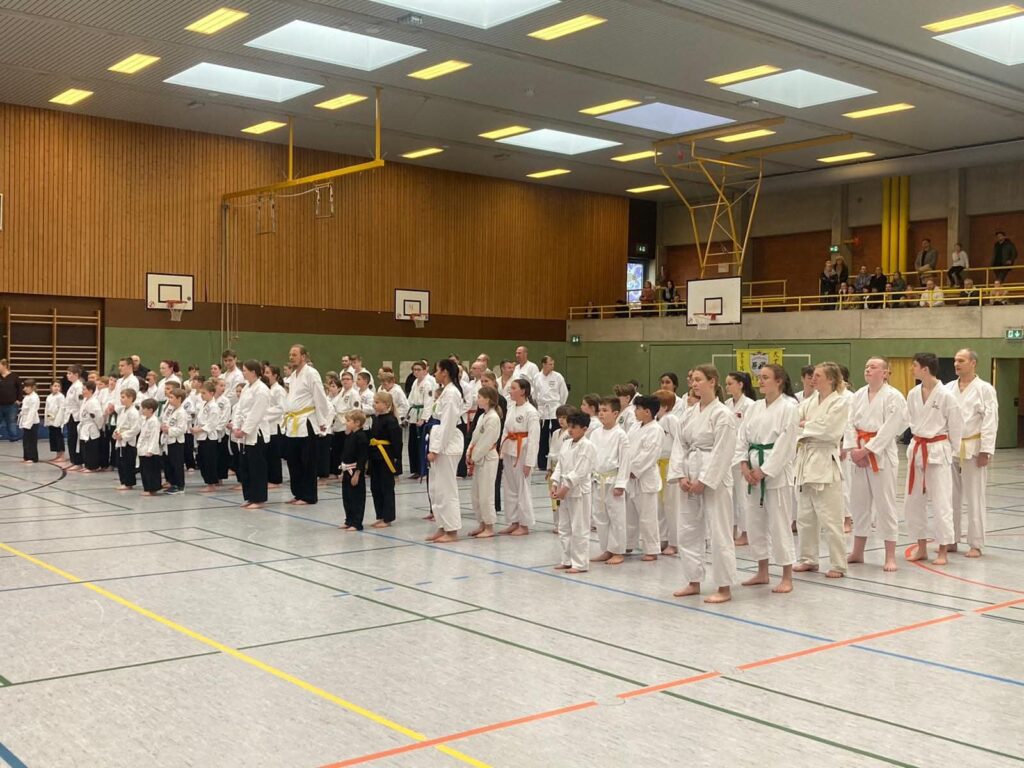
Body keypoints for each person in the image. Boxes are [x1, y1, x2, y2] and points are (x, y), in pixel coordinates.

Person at [670, 365, 738, 603]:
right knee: (687, 530)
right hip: (690, 470)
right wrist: (680, 475)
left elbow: (724, 451)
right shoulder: (689, 413)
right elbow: (679, 445)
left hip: (713, 476)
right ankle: (693, 580)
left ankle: (724, 587)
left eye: (699, 379)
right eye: (693, 380)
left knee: (719, 531)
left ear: (712, 381)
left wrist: (705, 480)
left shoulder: (723, 414)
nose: (694, 384)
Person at [736, 363, 799, 593]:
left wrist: (764, 470)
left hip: (776, 474)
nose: (760, 381)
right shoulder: (754, 407)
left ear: (779, 381)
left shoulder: (789, 408)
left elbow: (786, 444)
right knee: (754, 523)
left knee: (779, 524)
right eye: (759, 377)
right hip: (752, 471)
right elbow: (741, 437)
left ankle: (787, 576)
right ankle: (762, 571)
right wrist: (744, 464)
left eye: (765, 377)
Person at [844, 357, 908, 572]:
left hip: (882, 456)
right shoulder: (858, 395)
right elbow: (849, 424)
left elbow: (891, 429)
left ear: (885, 373)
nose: (868, 369)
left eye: (873, 367)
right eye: (866, 366)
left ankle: (890, 556)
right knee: (858, 504)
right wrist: (854, 449)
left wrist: (867, 450)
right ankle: (857, 552)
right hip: (859, 454)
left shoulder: (894, 397)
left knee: (885, 505)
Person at [904, 352, 962, 566]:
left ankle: (943, 550)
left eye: (914, 366)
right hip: (917, 450)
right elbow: (909, 420)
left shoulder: (947, 396)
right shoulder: (913, 394)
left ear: (925, 369)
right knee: (913, 502)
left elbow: (956, 427)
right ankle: (921, 548)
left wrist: (953, 453)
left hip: (938, 451)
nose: (912, 369)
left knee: (941, 502)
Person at [794, 362, 849, 579]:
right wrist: (807, 425)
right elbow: (793, 423)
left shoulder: (839, 402)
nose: (813, 379)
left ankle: (838, 564)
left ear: (831, 379)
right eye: (812, 376)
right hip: (805, 461)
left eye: (818, 376)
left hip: (826, 462)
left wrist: (806, 425)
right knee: (805, 516)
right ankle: (808, 559)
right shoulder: (809, 401)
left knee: (830, 518)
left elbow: (829, 430)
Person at [947, 348, 998, 558]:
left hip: (974, 448)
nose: (956, 364)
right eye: (955, 360)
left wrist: (986, 450)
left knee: (975, 497)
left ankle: (976, 543)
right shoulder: (948, 388)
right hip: (950, 448)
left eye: (961, 360)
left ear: (973, 363)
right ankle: (950, 539)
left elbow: (990, 420)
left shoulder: (985, 389)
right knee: (950, 496)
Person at [283, 345, 332, 505]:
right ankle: (298, 493)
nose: (291, 357)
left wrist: (322, 421)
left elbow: (320, 397)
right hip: (293, 423)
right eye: (290, 354)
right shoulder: (293, 376)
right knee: (293, 461)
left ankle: (309, 496)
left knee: (308, 462)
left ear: (303, 356)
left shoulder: (311, 373)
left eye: (294, 354)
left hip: (307, 422)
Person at [551, 411, 596, 574]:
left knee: (579, 528)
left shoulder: (588, 446)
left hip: (579, 492)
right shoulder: (566, 443)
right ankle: (566, 560)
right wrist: (555, 482)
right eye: (569, 426)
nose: (570, 430)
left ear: (584, 429)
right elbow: (559, 465)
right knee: (564, 527)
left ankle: (580, 563)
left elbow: (580, 471)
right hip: (564, 489)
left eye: (574, 427)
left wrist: (565, 488)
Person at [426, 359, 464, 542]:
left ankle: (452, 530)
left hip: (447, 445)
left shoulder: (452, 393)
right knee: (436, 489)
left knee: (446, 489)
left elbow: (448, 423)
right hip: (439, 439)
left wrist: (436, 449)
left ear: (445, 372)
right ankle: (442, 526)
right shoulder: (445, 392)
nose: (435, 374)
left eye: (437, 370)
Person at [591, 397, 630, 565]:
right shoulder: (595, 433)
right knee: (600, 516)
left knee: (617, 517)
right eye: (599, 410)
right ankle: (606, 549)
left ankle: (618, 551)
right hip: (597, 479)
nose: (601, 413)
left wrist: (621, 484)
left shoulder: (621, 435)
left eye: (605, 410)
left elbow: (625, 461)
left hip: (613, 480)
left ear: (615, 413)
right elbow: (591, 456)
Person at [500, 377, 540, 537]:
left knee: (522, 488)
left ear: (523, 391)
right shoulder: (511, 407)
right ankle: (514, 521)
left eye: (513, 388)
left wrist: (529, 462)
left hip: (522, 452)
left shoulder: (531, 411)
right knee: (510, 488)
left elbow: (534, 439)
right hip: (509, 449)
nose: (510, 391)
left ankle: (524, 524)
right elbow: (505, 430)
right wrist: (501, 450)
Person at [624, 395, 662, 562]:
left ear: (647, 412)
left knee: (647, 517)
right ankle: (628, 544)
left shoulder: (656, 429)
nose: (635, 412)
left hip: (645, 478)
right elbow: (626, 448)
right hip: (629, 477)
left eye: (638, 409)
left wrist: (634, 470)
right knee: (629, 515)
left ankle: (652, 549)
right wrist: (625, 468)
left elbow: (649, 454)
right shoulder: (635, 426)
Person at [234, 360, 271, 510]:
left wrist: (244, 430)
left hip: (256, 432)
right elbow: (238, 409)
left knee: (257, 467)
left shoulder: (262, 390)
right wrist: (236, 426)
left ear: (254, 372)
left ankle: (259, 498)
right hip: (244, 432)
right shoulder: (246, 388)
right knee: (246, 466)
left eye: (245, 370)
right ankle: (249, 496)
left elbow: (257, 413)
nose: (243, 373)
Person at [725, 371, 756, 546]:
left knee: (743, 496)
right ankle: (732, 529)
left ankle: (746, 532)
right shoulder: (727, 404)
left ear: (740, 384)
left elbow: (748, 432)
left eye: (730, 383)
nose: (727, 387)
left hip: (742, 455)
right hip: (728, 454)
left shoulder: (750, 405)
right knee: (730, 497)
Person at [467, 385, 502, 539]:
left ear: (488, 400)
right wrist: (469, 452)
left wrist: (474, 457)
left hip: (488, 458)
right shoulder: (482, 416)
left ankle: (489, 526)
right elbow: (475, 437)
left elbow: (486, 442)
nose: (478, 399)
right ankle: (481, 523)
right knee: (476, 494)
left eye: (480, 397)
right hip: (478, 456)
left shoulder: (493, 418)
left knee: (486, 494)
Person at [368, 391, 403, 529]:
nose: (374, 405)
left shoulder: (391, 420)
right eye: (374, 402)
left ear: (386, 404)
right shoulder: (376, 419)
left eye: (377, 402)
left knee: (386, 487)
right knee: (375, 487)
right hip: (375, 455)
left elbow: (397, 442)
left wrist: (396, 460)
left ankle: (388, 518)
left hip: (386, 457)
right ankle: (380, 515)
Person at [534, 356, 569, 471]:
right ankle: (542, 464)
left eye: (553, 364)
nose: (552, 366)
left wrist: (560, 407)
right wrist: (539, 406)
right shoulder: (537, 377)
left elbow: (564, 393)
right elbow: (535, 394)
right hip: (542, 411)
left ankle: (558, 462)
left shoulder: (558, 376)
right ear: (543, 364)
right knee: (542, 438)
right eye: (550, 364)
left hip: (555, 410)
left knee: (557, 436)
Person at [339, 410, 369, 531]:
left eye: (348, 421)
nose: (346, 423)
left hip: (355, 471)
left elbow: (362, 457)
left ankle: (357, 523)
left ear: (357, 423)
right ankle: (349, 520)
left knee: (356, 498)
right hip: (347, 470)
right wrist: (343, 471)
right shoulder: (350, 435)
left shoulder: (362, 437)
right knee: (347, 497)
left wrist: (357, 473)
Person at [406, 361, 436, 479]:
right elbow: (410, 400)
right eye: (414, 370)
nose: (416, 372)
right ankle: (416, 470)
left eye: (418, 369)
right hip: (414, 414)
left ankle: (423, 470)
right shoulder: (415, 382)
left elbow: (429, 402)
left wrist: (423, 419)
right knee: (412, 444)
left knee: (421, 444)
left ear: (425, 370)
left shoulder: (427, 384)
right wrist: (407, 416)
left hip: (423, 415)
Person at [193, 381, 222, 493]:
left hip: (209, 438)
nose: (202, 395)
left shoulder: (214, 406)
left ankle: (211, 484)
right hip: (201, 437)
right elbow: (200, 419)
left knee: (209, 462)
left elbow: (212, 424)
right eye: (201, 393)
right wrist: (195, 428)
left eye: (204, 393)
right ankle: (207, 482)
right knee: (203, 461)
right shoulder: (204, 404)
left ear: (212, 393)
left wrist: (199, 429)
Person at [112, 388, 141, 490]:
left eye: (123, 397)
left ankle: (129, 483)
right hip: (120, 440)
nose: (121, 399)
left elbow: (136, 428)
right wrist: (116, 433)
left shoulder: (134, 412)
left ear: (131, 398)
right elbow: (119, 425)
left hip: (129, 442)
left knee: (128, 463)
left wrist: (123, 436)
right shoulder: (122, 411)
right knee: (120, 463)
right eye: (121, 397)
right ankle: (123, 481)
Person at [161, 388, 188, 495]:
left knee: (177, 464)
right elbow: (166, 421)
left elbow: (182, 429)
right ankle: (172, 483)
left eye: (172, 398)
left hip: (177, 442)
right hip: (168, 440)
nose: (170, 400)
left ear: (179, 399)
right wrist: (164, 426)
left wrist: (169, 430)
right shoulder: (171, 409)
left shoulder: (182, 412)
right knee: (169, 464)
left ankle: (180, 486)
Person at [137, 398, 162, 496]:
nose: (142, 410)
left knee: (151, 471)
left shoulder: (154, 421)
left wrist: (150, 450)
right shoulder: (145, 420)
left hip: (150, 450)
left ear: (151, 410)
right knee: (144, 470)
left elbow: (154, 436)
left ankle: (152, 488)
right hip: (143, 448)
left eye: (144, 408)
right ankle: (146, 488)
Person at [77, 381, 104, 472]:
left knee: (91, 448)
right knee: (85, 448)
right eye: (82, 389)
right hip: (84, 426)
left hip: (91, 427)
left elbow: (98, 416)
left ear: (91, 390)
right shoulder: (85, 400)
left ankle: (93, 467)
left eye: (84, 389)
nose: (82, 391)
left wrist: (99, 427)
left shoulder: (94, 402)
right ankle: (87, 465)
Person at [64, 365, 84, 469]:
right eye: (67, 373)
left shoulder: (79, 387)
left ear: (76, 375)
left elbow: (81, 403)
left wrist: (81, 418)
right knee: (71, 439)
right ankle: (73, 460)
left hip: (76, 416)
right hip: (70, 415)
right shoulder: (73, 386)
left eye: (70, 373)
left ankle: (78, 462)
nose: (67, 375)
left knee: (75, 439)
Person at [0, 359, 22, 442]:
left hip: (11, 404)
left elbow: (20, 388)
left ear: (4, 366)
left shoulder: (14, 376)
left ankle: (13, 437)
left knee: (11, 421)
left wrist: (19, 399)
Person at [18, 379, 40, 463]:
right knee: (26, 440)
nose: (24, 389)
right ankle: (26, 457)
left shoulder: (34, 397)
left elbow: (32, 411)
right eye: (24, 387)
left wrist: (28, 424)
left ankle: (32, 457)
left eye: (26, 387)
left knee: (31, 441)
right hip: (26, 420)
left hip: (32, 422)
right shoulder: (27, 396)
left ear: (32, 387)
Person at [44, 380, 66, 463]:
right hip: (51, 419)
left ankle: (62, 455)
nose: (56, 388)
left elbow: (61, 409)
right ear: (51, 387)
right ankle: (57, 455)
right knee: (53, 437)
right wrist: (47, 420)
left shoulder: (61, 397)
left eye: (58, 386)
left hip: (58, 420)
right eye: (55, 386)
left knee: (58, 437)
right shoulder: (49, 397)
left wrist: (58, 421)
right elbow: (47, 409)